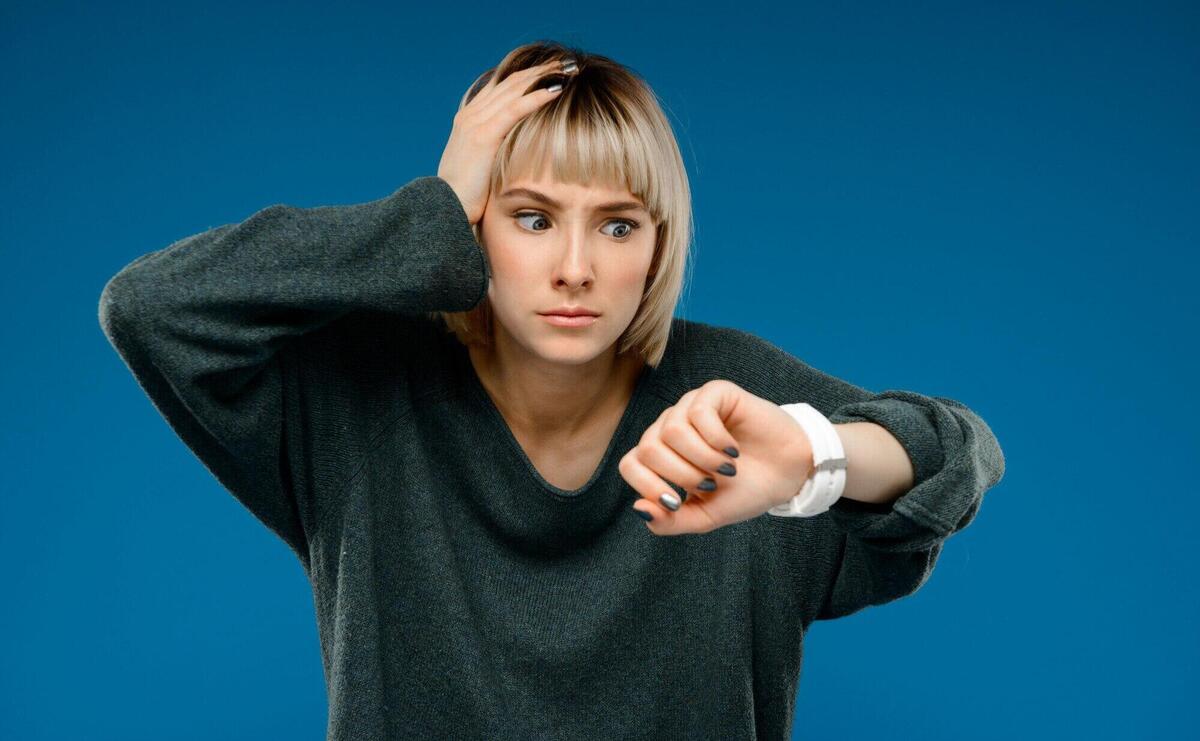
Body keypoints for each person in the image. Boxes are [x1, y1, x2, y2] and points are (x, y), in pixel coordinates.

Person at [98, 40, 1005, 741]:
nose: (575, 268)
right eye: (531, 218)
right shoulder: (354, 398)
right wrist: (429, 214)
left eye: (617, 225)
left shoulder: (734, 401)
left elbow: (959, 452)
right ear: (475, 221)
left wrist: (817, 456)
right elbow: (151, 307)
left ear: (658, 243)